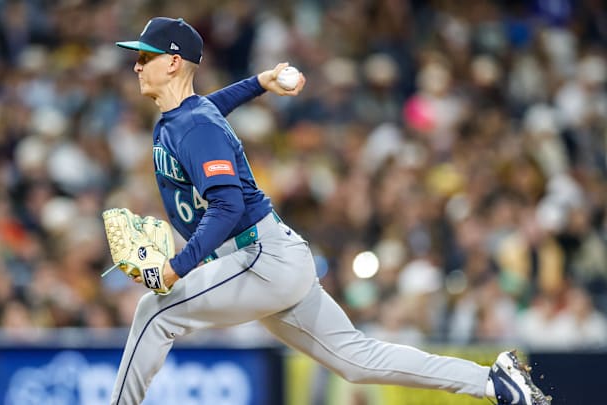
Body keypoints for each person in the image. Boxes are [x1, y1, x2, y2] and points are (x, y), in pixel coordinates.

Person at [110, 17, 551, 405]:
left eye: (144, 57)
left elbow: (227, 205)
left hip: (258, 258)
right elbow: (212, 106)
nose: (136, 65)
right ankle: (493, 382)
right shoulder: (190, 115)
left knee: (155, 310)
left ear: (172, 62)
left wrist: (176, 269)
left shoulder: (196, 126)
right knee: (357, 360)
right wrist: (259, 83)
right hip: (269, 258)